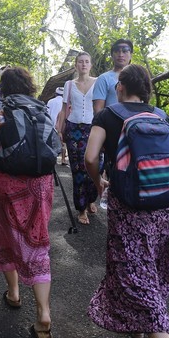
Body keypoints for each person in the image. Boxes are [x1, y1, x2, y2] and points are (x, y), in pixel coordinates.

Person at [85, 64, 169, 338]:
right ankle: (143, 323)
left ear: (120, 87)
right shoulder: (162, 116)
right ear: (146, 89)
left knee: (137, 277)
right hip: (166, 208)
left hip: (130, 208)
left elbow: (90, 157)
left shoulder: (108, 117)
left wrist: (99, 182)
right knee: (153, 272)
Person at [0, 67, 54, 338]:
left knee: (3, 235)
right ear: (29, 85)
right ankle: (43, 313)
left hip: (6, 183)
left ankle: (14, 293)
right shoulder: (41, 107)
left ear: (3, 87)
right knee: (37, 242)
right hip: (40, 184)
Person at [56, 51, 99, 225]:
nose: (83, 64)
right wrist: (60, 129)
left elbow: (100, 107)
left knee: (94, 166)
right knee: (77, 169)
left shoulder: (98, 82)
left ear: (90, 65)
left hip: (93, 128)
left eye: (86, 62)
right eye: (80, 62)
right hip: (74, 129)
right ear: (76, 65)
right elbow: (64, 108)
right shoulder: (68, 84)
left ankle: (91, 199)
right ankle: (81, 208)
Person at [92, 39, 133, 114]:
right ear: (112, 55)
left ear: (131, 55)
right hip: (111, 123)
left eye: (124, 51)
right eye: (117, 51)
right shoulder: (104, 78)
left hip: (134, 123)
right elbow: (98, 108)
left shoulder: (138, 78)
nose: (120, 54)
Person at [47, 87, 68, 166]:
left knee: (52, 142)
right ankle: (63, 159)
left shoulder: (50, 101)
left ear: (55, 94)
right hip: (61, 124)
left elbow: (47, 113)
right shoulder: (65, 102)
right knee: (63, 142)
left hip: (51, 124)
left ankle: (54, 159)